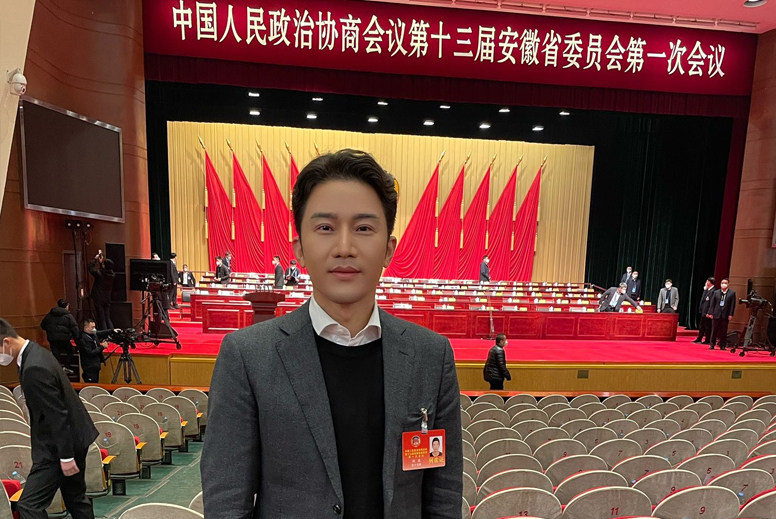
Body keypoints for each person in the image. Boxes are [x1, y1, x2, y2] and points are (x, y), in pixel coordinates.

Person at [202, 149, 462, 519]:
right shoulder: (248, 356)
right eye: (325, 228)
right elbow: (227, 502)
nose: (344, 248)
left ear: (389, 250)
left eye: (364, 228)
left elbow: (443, 496)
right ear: (299, 249)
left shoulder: (430, 356)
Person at [0, 318, 98, 519]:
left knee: (29, 505)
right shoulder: (36, 352)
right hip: (74, 437)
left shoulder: (34, 367)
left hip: (59, 446)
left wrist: (66, 457)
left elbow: (56, 414)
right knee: (75, 498)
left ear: (6, 342)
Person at [40, 299, 79, 375]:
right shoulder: (68, 316)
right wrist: (78, 343)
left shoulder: (50, 314)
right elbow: (75, 329)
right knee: (71, 350)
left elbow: (43, 325)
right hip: (64, 339)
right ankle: (66, 367)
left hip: (52, 338)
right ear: (67, 306)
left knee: (56, 354)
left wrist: (51, 330)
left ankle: (58, 370)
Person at [78, 319, 113, 383]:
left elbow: (101, 333)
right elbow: (90, 352)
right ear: (86, 328)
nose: (94, 329)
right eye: (92, 327)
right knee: (91, 385)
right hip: (89, 367)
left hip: (95, 365)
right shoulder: (83, 339)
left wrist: (112, 331)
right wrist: (102, 347)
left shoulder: (93, 334)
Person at [88, 251, 115, 331]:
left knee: (102, 318)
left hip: (99, 298)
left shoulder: (99, 274)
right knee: (107, 317)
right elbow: (103, 272)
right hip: (107, 298)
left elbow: (90, 268)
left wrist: (95, 259)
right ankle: (112, 332)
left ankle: (105, 334)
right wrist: (101, 264)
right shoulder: (112, 275)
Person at [708, 278, 736, 350]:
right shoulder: (716, 292)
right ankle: (712, 344)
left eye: (725, 283)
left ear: (728, 284)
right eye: (722, 283)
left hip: (725, 314)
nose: (724, 284)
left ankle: (722, 345)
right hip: (716, 314)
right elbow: (712, 304)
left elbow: (732, 305)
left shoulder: (732, 293)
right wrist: (710, 313)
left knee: (723, 331)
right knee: (714, 330)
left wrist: (731, 314)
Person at [693, 277, 716, 344]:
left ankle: (707, 340)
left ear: (709, 282)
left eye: (707, 281)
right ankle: (699, 338)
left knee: (707, 327)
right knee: (702, 326)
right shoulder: (706, 290)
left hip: (707, 312)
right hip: (703, 311)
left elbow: (712, 303)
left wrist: (709, 312)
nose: (706, 283)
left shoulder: (713, 291)